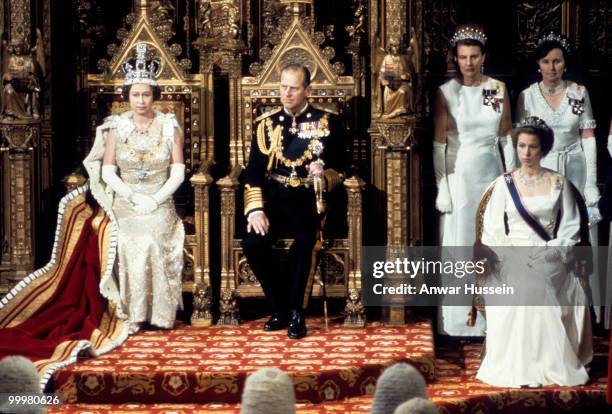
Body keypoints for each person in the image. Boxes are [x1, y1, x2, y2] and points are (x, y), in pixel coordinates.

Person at [476, 116, 592, 387]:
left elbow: (571, 229)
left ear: (544, 149)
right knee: (524, 282)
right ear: (515, 147)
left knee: (537, 281)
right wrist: (513, 254)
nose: (526, 153)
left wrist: (550, 252)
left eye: (533, 147)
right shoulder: (505, 184)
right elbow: (492, 230)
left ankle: (546, 364)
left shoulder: (558, 183)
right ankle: (522, 366)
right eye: (521, 146)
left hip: (550, 254)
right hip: (511, 254)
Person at [241, 63, 346, 339]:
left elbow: (343, 168)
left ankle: (297, 313)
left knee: (304, 242)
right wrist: (255, 210)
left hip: (308, 200)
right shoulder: (266, 124)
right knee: (253, 242)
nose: (287, 94)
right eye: (283, 87)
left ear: (307, 89)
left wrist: (324, 175)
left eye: (294, 88)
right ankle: (281, 307)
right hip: (275, 199)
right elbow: (253, 171)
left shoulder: (327, 123)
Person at [97, 43, 185, 334]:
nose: (141, 100)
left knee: (151, 239)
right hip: (126, 200)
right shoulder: (115, 127)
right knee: (125, 240)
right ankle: (131, 314)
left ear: (155, 96)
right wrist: (132, 196)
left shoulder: (169, 126)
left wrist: (156, 199)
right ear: (127, 96)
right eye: (135, 94)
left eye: (146, 94)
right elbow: (108, 171)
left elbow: (179, 171)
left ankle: (159, 316)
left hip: (160, 201)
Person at [433, 25, 515, 336]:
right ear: (455, 57)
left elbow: (506, 138)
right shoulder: (445, 93)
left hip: (491, 173)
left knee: (491, 241)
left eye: (474, 56)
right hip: (459, 177)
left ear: (484, 57)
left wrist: (512, 179)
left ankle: (491, 317)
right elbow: (439, 144)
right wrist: (443, 186)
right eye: (463, 57)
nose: (469, 63)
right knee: (461, 243)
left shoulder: (498, 89)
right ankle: (458, 320)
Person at [516, 32, 601, 315]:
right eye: (546, 61)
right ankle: (544, 307)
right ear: (538, 64)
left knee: (577, 234)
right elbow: (521, 143)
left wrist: (590, 184)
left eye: (557, 61)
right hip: (543, 172)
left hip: (574, 168)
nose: (552, 68)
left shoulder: (578, 93)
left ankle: (582, 308)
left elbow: (588, 137)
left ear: (565, 64)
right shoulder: (527, 96)